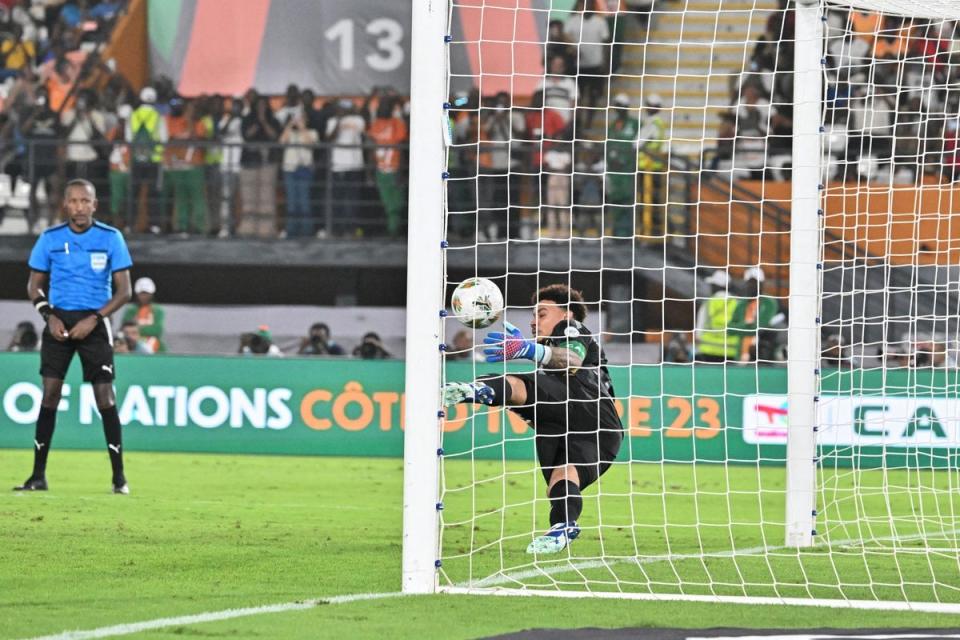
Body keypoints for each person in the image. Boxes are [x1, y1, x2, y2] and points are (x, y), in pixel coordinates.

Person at [442, 284, 623, 554]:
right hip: (599, 434)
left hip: (588, 407)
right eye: (534, 315)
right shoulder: (550, 349)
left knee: (521, 387)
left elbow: (572, 361)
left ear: (566, 315)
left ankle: (476, 390)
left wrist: (529, 351)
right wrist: (532, 353)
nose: (533, 321)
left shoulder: (571, 327)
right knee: (562, 479)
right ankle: (563, 528)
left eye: (542, 314)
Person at [15, 179, 133, 494]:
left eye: (85, 201)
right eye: (74, 201)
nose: (79, 207)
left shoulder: (111, 238)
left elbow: (125, 292)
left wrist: (95, 318)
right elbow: (34, 286)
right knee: (50, 393)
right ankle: (37, 477)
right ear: (66, 204)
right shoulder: (50, 239)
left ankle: (118, 478)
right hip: (58, 320)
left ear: (95, 204)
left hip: (94, 321)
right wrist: (48, 314)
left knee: (104, 396)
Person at [126, 86, 167, 233]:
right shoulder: (158, 116)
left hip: (136, 159)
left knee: (134, 192)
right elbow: (164, 138)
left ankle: (130, 224)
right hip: (153, 160)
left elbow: (128, 138)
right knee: (153, 193)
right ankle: (154, 225)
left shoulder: (133, 115)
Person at [279, 110, 318, 238]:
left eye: (301, 118)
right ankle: (292, 230)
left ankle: (306, 231)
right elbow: (281, 142)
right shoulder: (290, 132)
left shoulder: (312, 132)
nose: (298, 119)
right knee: (291, 201)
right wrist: (290, 125)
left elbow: (310, 143)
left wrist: (302, 127)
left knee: (304, 200)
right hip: (289, 169)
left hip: (304, 169)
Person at [693, 269, 738, 362]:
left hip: (708, 353)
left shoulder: (708, 304)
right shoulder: (737, 304)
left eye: (712, 285)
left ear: (715, 286)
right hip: (731, 353)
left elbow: (698, 333)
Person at [121, 276, 166, 353]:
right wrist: (134, 332)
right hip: (133, 345)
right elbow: (125, 328)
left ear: (151, 294)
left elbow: (157, 330)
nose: (144, 296)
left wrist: (137, 329)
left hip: (154, 346)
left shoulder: (158, 310)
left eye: (146, 293)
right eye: (141, 293)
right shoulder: (131, 310)